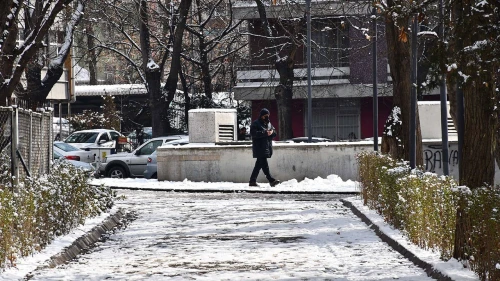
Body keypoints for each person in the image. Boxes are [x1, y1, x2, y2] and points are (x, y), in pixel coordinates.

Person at [249, 108, 280, 187]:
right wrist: (265, 133)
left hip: (266, 146)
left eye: (268, 115)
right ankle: (271, 180)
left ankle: (252, 181)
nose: (267, 117)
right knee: (264, 164)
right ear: (261, 116)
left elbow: (274, 132)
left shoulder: (269, 124)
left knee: (259, 165)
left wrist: (272, 132)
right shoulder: (256, 123)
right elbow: (253, 134)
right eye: (265, 116)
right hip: (259, 147)